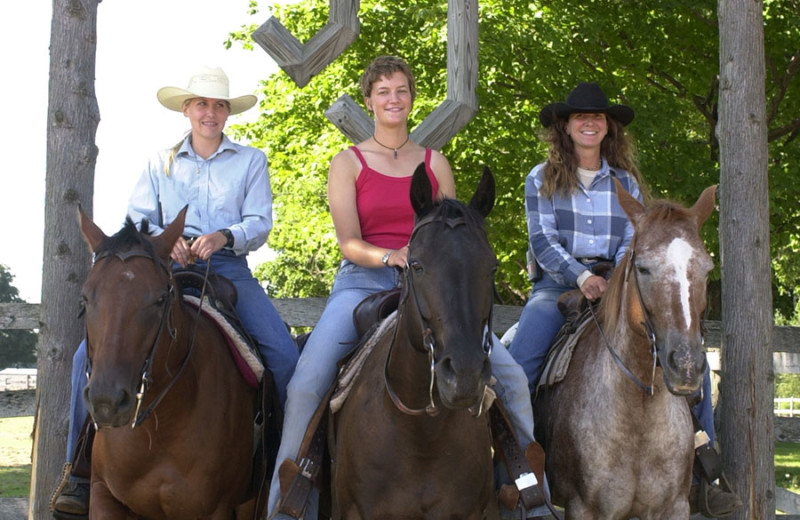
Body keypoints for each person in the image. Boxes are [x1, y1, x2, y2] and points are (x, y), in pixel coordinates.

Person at [267, 56, 538, 519]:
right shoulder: (347, 163)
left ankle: (526, 497)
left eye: (402, 90)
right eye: (383, 91)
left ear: (412, 98)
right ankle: (289, 505)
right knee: (306, 382)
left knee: (511, 379)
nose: (393, 99)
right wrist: (391, 256)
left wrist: (424, 264)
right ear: (369, 100)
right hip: (363, 282)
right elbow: (349, 242)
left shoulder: (436, 163)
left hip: (434, 287)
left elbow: (453, 236)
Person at [52, 66, 300, 518]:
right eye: (202, 104)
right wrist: (170, 240)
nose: (211, 112)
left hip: (228, 268)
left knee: (284, 356)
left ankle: (284, 469)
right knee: (79, 360)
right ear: (187, 110)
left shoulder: (250, 160)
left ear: (228, 113)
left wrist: (223, 237)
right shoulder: (159, 161)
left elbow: (260, 221)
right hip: (164, 265)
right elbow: (138, 216)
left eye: (219, 105)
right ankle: (80, 471)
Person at [508, 81, 740, 517]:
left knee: (692, 363)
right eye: (581, 116)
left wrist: (613, 278)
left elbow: (636, 241)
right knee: (518, 368)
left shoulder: (626, 181)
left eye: (598, 116)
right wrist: (579, 277)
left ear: (608, 127)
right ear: (566, 126)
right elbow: (542, 240)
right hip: (557, 286)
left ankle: (705, 473)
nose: (590, 122)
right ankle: (516, 476)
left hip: (622, 281)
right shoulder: (541, 178)